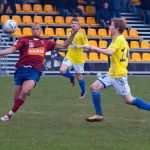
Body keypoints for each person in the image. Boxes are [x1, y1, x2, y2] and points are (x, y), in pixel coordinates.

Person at [0, 23, 79, 121]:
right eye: (33, 29)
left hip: (34, 71)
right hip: (21, 70)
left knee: (25, 91)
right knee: (16, 99)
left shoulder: (46, 42)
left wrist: (73, 33)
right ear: (31, 30)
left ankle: (9, 115)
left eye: (37, 29)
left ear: (41, 30)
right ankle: (24, 95)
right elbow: (12, 50)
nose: (35, 30)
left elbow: (64, 45)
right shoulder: (24, 40)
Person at [76, 18, 150, 122]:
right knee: (93, 87)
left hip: (119, 75)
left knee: (129, 100)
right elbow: (127, 54)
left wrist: (94, 48)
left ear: (116, 28)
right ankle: (99, 115)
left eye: (111, 25)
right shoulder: (119, 38)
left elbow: (110, 52)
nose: (109, 27)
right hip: (112, 73)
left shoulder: (119, 39)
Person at [60, 17, 89, 99]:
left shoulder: (81, 34)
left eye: (75, 23)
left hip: (78, 58)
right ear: (70, 25)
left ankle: (83, 92)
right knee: (62, 71)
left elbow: (87, 45)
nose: (74, 24)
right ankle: (72, 77)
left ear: (78, 25)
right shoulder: (68, 33)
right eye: (72, 23)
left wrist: (78, 46)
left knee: (79, 76)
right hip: (69, 55)